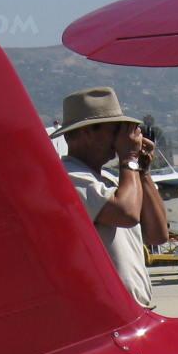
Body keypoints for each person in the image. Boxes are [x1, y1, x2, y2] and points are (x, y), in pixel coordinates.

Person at [54, 87, 169, 308]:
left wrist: (142, 171)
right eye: (115, 130)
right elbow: (125, 213)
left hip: (133, 311)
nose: (122, 138)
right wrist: (129, 158)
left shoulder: (115, 180)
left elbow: (157, 234)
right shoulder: (68, 177)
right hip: (107, 313)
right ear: (87, 132)